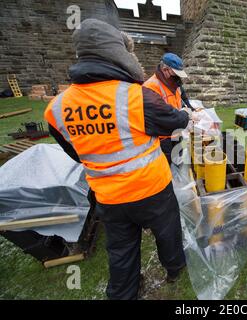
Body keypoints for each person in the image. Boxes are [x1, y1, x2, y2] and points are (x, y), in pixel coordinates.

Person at [44, 19, 191, 300]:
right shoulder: (136, 97)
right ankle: (174, 268)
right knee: (167, 233)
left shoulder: (57, 108)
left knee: (121, 249)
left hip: (108, 197)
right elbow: (176, 122)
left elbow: (75, 152)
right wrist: (187, 117)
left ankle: (125, 292)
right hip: (152, 189)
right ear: (119, 54)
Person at [143, 53, 194, 165]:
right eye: (175, 74)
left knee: (179, 163)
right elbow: (160, 119)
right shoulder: (150, 87)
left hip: (177, 132)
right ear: (165, 70)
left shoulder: (174, 83)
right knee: (167, 167)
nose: (178, 78)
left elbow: (182, 100)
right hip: (163, 139)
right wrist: (185, 116)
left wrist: (189, 111)